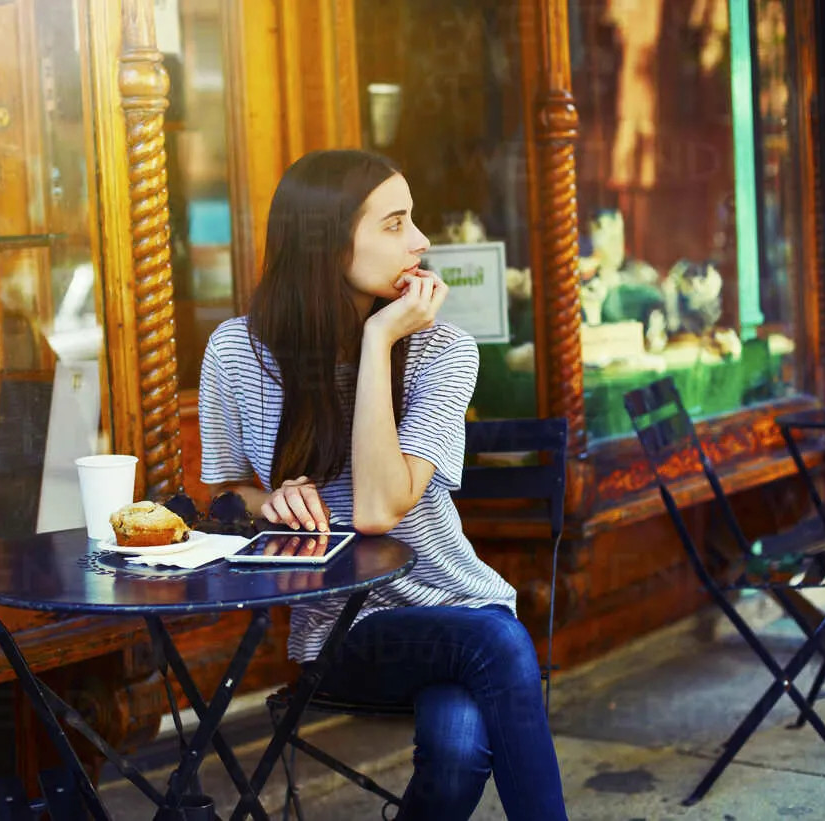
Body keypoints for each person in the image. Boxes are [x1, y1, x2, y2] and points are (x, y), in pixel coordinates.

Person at [198, 149, 568, 820]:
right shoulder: (234, 352)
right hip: (343, 630)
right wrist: (267, 500)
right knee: (498, 646)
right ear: (327, 242)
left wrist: (377, 343)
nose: (421, 241)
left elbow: (377, 505)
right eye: (396, 223)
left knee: (458, 752)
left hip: (459, 607)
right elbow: (224, 495)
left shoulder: (442, 349)